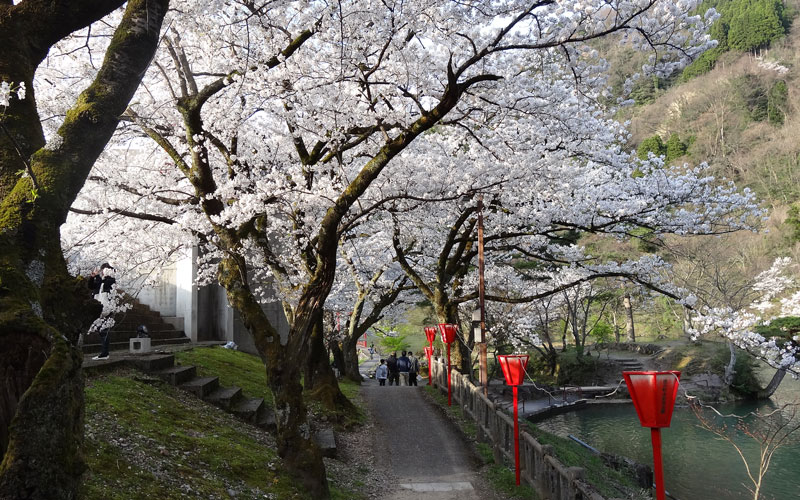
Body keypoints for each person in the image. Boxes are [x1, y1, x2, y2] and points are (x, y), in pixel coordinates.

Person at [92, 266, 116, 360]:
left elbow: (103, 285)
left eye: (103, 271)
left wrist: (98, 277)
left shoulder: (110, 280)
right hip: (105, 307)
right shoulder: (107, 280)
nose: (102, 272)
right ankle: (104, 352)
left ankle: (104, 353)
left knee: (104, 331)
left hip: (106, 308)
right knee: (102, 330)